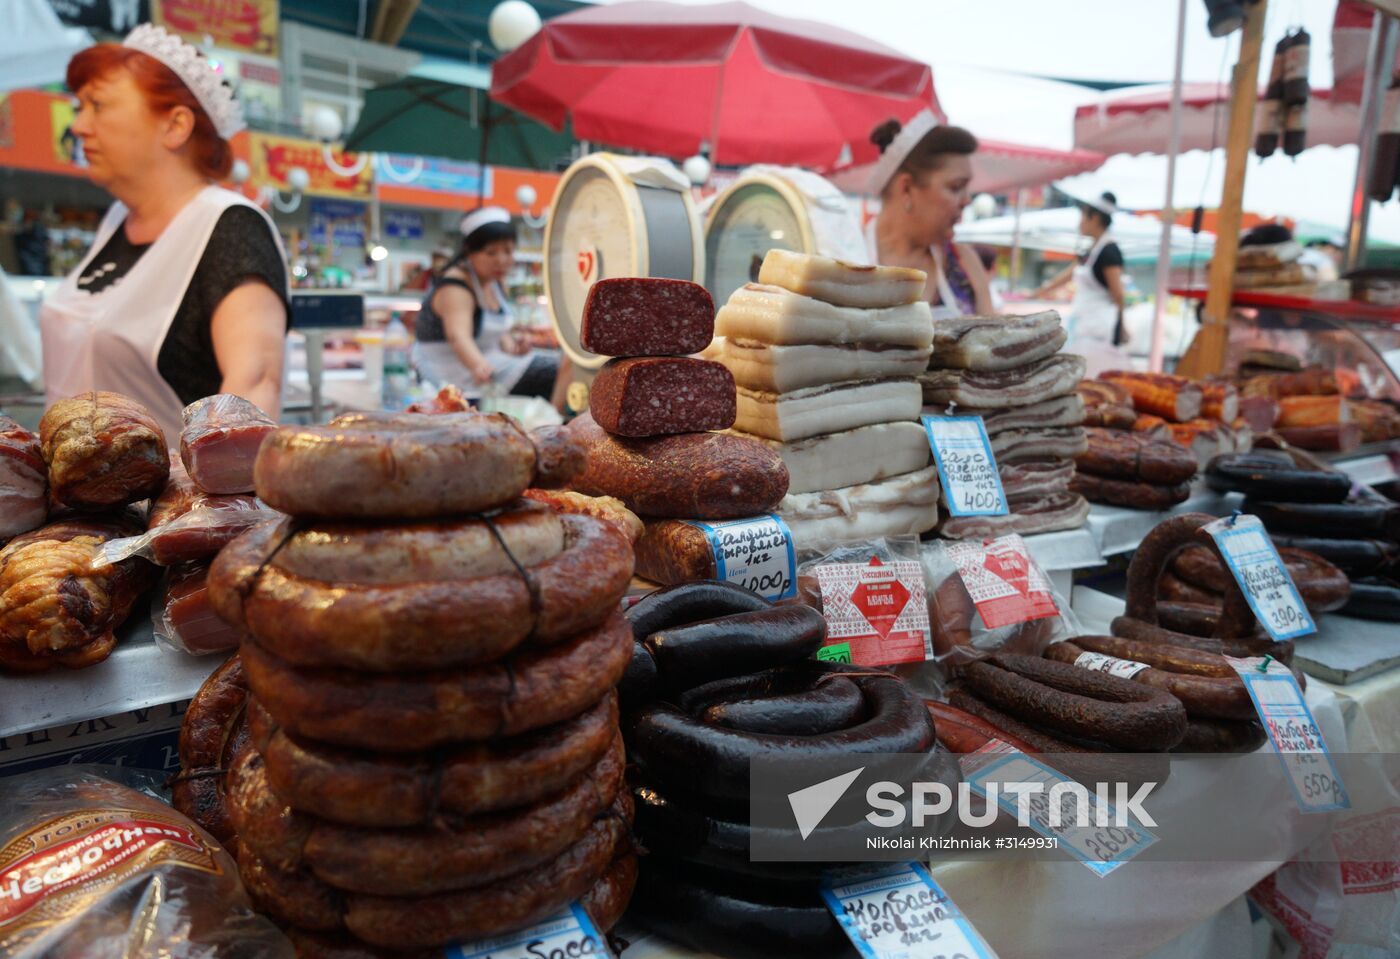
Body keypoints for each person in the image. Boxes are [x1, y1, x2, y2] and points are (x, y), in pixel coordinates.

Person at [42, 25, 288, 440]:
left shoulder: (229, 227)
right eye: (79, 106)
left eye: (97, 105)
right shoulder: (116, 221)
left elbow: (255, 383)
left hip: (170, 501)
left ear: (175, 125)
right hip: (78, 494)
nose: (80, 125)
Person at [412, 207, 558, 399]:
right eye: (491, 253)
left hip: (490, 364)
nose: (502, 260)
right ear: (469, 252)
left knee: (560, 367)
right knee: (554, 372)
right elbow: (458, 336)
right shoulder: (455, 286)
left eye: (508, 251)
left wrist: (515, 348)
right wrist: (479, 366)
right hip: (454, 375)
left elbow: (500, 337)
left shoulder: (494, 283)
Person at [865, 111, 993, 318]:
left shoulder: (965, 263)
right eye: (956, 187)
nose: (967, 200)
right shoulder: (847, 256)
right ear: (906, 188)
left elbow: (994, 343)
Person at [1032, 192, 1129, 373]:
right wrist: (1039, 291)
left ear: (1096, 218)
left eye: (1084, 216)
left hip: (1102, 328)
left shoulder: (1109, 251)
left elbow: (1118, 293)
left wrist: (1122, 326)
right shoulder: (1091, 249)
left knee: (1097, 373)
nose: (1080, 222)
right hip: (1085, 324)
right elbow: (1069, 274)